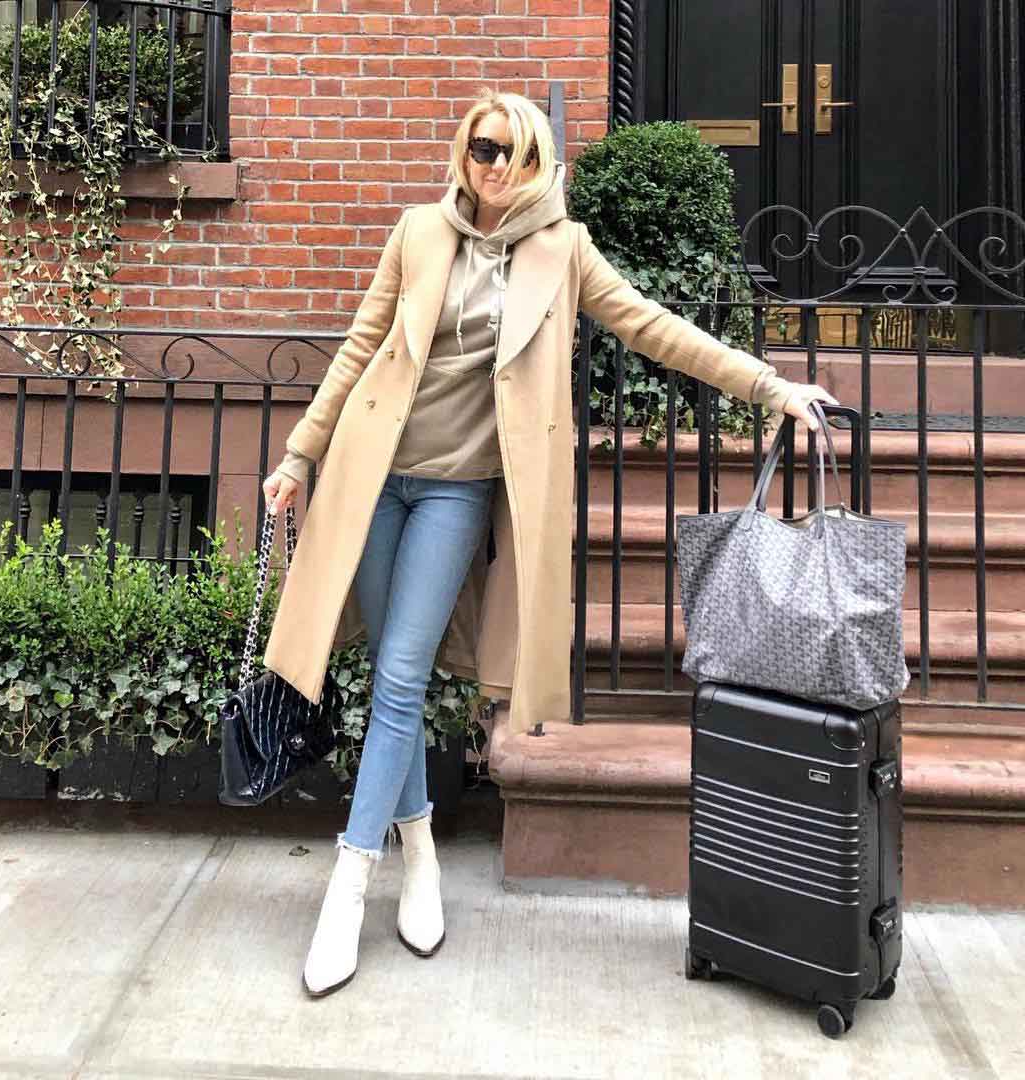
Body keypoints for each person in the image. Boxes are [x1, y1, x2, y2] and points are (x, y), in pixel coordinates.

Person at [261, 89, 839, 998]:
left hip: (456, 491)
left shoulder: (561, 250)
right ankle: (419, 856)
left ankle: (349, 879)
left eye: (516, 154)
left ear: (538, 166)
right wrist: (301, 451)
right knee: (388, 685)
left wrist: (768, 384)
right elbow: (359, 345)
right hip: (370, 478)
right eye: (484, 148)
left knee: (405, 677)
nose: (496, 167)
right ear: (464, 149)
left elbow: (654, 327)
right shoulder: (418, 231)